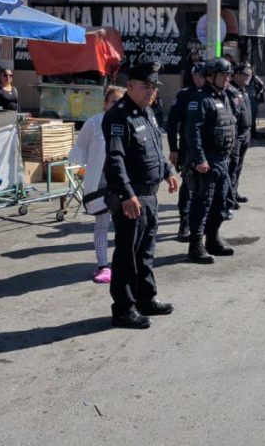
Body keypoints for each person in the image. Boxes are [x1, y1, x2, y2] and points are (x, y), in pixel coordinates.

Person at [102, 62, 178, 330]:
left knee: (146, 251)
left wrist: (167, 170)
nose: (151, 92)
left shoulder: (147, 112)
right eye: (146, 86)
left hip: (149, 195)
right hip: (132, 197)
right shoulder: (118, 116)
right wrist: (127, 194)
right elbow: (115, 159)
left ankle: (146, 299)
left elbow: (155, 146)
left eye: (154, 87)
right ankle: (123, 309)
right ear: (130, 85)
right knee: (127, 255)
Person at [68, 85, 125, 285]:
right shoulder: (93, 123)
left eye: (121, 102)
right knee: (102, 224)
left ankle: (124, 263)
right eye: (113, 101)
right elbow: (81, 149)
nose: (117, 106)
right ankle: (103, 266)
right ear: (105, 103)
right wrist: (84, 171)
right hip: (101, 183)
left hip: (125, 183)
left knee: (125, 226)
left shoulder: (129, 122)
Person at [185, 58, 237, 264]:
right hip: (207, 161)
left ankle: (213, 239)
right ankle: (195, 245)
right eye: (222, 75)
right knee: (202, 204)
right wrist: (199, 159)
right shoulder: (200, 99)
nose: (226, 79)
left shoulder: (224, 97)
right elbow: (193, 131)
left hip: (222, 160)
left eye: (228, 75)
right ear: (210, 76)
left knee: (220, 203)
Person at [166, 62, 206, 241]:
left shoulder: (215, 94)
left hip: (209, 150)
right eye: (200, 75)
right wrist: (173, 149)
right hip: (188, 149)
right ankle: (185, 222)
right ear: (194, 76)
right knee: (189, 186)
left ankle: (202, 222)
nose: (203, 79)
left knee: (206, 188)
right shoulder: (184, 95)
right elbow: (172, 123)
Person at [227, 62, 253, 209]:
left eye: (250, 75)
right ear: (236, 75)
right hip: (236, 136)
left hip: (245, 134)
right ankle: (229, 199)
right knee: (232, 167)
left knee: (239, 167)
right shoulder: (230, 91)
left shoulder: (243, 91)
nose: (248, 77)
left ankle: (234, 192)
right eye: (245, 74)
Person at [246, 71, 265, 140]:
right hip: (245, 99)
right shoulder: (244, 78)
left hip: (253, 100)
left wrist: (259, 93)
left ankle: (253, 134)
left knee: (252, 118)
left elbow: (263, 87)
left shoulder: (255, 78)